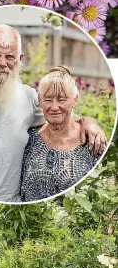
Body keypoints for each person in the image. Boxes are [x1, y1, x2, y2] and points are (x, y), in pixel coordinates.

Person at [0, 24, 106, 202]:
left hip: (11, 210)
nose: (2, 63)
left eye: (10, 56)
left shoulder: (29, 97)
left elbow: (61, 116)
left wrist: (90, 123)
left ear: (19, 59)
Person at [21, 67, 102, 201]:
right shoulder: (28, 139)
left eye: (62, 99)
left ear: (75, 100)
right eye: (47, 99)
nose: (54, 107)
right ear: (40, 101)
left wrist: (90, 122)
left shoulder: (92, 142)